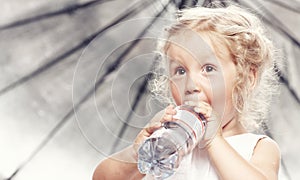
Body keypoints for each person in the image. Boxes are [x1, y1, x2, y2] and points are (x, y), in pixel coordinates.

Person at [93, 4, 281, 180]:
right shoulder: (167, 144)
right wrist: (136, 153)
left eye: (208, 68)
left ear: (248, 78)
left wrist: (214, 141)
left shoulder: (259, 147)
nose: (191, 84)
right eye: (180, 71)